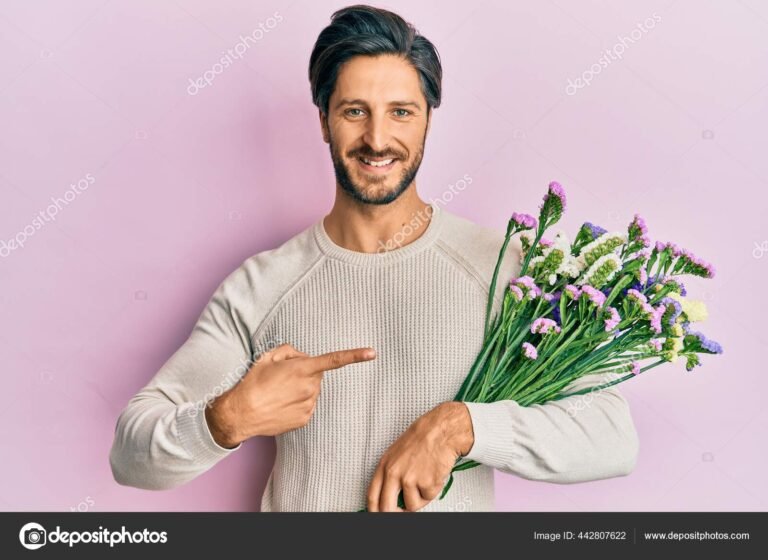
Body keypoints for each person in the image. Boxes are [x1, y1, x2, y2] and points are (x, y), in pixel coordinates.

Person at [109, 4, 639, 512]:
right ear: (324, 121)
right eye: (354, 111)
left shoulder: (502, 270)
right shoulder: (263, 285)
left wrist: (463, 428)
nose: (377, 139)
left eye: (401, 112)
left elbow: (612, 435)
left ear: (428, 118)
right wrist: (226, 419)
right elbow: (131, 454)